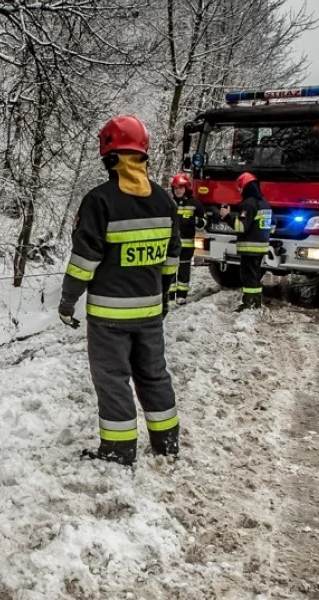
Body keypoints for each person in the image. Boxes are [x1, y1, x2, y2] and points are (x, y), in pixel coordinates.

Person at [57, 115, 182, 466]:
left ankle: (118, 452)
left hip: (109, 317)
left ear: (108, 157)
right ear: (144, 155)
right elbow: (172, 256)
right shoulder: (164, 201)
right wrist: (164, 295)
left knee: (113, 381)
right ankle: (167, 444)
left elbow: (84, 260)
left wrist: (68, 301)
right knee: (154, 376)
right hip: (150, 314)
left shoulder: (99, 201)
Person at [219, 172, 271, 311]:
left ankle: (250, 304)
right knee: (255, 275)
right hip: (261, 247)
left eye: (240, 188)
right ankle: (256, 302)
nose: (239, 192)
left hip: (250, 248)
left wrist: (227, 216)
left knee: (247, 276)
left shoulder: (248, 205)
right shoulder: (265, 204)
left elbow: (240, 226)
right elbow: (272, 226)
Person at [168, 173, 206, 305]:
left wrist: (193, 221)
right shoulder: (169, 203)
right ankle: (170, 295)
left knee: (184, 269)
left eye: (180, 188)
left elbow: (204, 222)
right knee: (170, 269)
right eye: (175, 188)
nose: (177, 190)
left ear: (186, 188)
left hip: (187, 244)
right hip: (171, 244)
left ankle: (181, 295)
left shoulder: (195, 204)